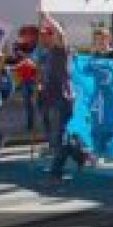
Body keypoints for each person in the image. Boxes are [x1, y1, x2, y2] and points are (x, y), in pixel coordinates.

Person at [39, 13, 80, 185]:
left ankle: (56, 174)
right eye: (43, 35)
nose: (43, 38)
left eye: (47, 34)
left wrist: (46, 15)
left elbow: (60, 33)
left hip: (63, 99)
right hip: (51, 99)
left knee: (59, 137)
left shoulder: (62, 49)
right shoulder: (48, 53)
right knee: (58, 136)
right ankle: (80, 155)